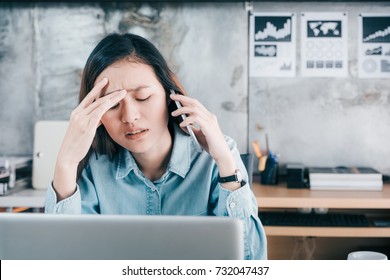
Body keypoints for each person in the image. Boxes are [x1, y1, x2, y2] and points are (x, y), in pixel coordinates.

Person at [44, 33, 267, 260]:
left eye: (143, 97)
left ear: (170, 96)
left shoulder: (215, 157)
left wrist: (226, 165)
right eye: (111, 105)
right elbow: (62, 262)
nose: (130, 117)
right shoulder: (94, 167)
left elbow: (250, 263)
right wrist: (67, 162)